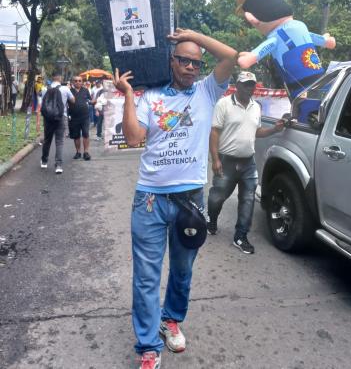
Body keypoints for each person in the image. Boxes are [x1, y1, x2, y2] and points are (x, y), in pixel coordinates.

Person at [114, 28, 237, 369]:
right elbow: (135, 138)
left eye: (196, 63)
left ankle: (171, 319)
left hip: (189, 200)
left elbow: (231, 56)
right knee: (146, 276)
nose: (190, 67)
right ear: (171, 61)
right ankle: (149, 346)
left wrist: (193, 35)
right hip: (150, 200)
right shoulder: (150, 96)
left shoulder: (208, 91)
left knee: (182, 271)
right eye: (183, 60)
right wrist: (127, 94)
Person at [207, 71, 284, 254]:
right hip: (226, 161)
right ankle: (212, 220)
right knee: (218, 196)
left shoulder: (256, 106)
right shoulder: (224, 104)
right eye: (246, 84)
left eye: (252, 84)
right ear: (237, 85)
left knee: (248, 199)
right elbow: (214, 133)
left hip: (248, 162)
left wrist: (274, 129)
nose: (249, 88)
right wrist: (215, 159)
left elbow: (256, 131)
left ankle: (240, 235)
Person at [41, 72, 74, 174]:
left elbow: (43, 103)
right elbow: (73, 100)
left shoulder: (44, 89)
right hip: (60, 117)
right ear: (60, 78)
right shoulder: (65, 89)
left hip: (47, 118)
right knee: (59, 141)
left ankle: (44, 161)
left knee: (47, 139)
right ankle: (58, 165)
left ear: (52, 78)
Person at [68, 76, 92, 160]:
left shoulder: (85, 90)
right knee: (76, 136)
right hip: (73, 117)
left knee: (85, 134)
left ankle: (86, 152)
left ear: (82, 82)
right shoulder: (69, 91)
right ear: (73, 82)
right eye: (76, 81)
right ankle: (78, 152)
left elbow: (89, 100)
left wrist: (93, 102)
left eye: (79, 81)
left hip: (85, 117)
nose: (78, 82)